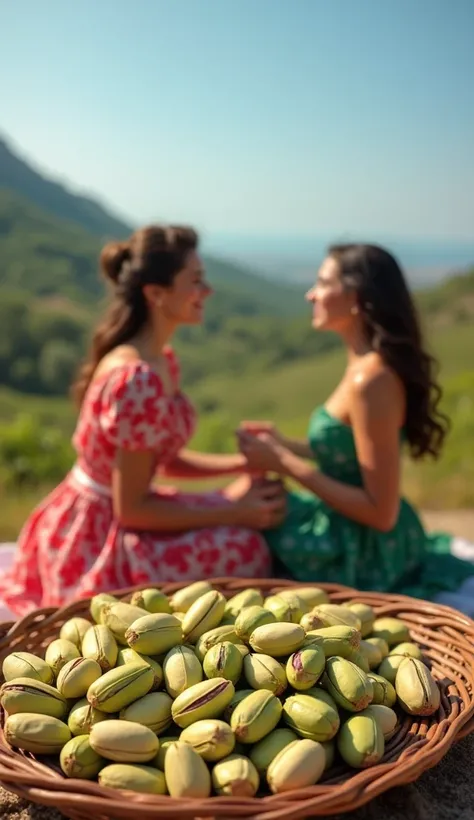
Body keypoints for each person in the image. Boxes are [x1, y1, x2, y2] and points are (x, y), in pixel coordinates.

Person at [0, 225, 286, 617]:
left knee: (245, 520)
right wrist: (234, 510)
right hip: (97, 534)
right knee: (245, 545)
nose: (208, 291)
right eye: (196, 281)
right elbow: (131, 508)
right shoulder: (136, 380)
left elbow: (161, 460)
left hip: (115, 510)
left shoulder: (159, 362)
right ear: (156, 294)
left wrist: (243, 465)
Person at [238, 243, 474, 611]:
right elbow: (351, 451)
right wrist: (286, 444)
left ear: (355, 297)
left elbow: (381, 513)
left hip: (363, 547)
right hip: (348, 522)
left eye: (322, 282)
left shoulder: (372, 380)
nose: (310, 293)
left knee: (248, 524)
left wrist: (283, 462)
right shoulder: (362, 365)